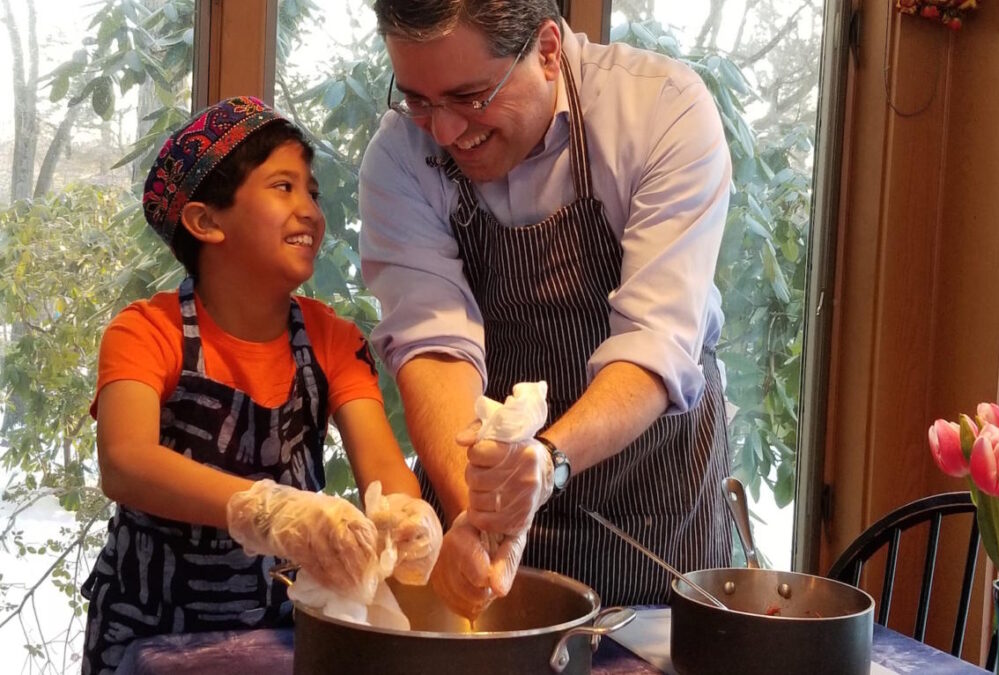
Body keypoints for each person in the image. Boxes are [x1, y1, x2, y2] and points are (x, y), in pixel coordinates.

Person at [359, 0, 733, 617]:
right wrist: (478, 510)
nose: (446, 132)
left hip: (651, 504)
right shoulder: (400, 155)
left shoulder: (661, 109)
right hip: (480, 498)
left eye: (471, 96)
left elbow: (656, 339)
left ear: (549, 50)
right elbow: (433, 344)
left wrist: (549, 461)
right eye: (419, 100)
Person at [81, 96, 441, 674]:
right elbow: (126, 462)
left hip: (281, 635)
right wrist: (268, 512)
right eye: (283, 187)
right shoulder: (145, 331)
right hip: (148, 634)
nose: (311, 211)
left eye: (313, 192)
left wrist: (406, 515)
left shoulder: (331, 338)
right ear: (206, 221)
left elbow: (383, 466)